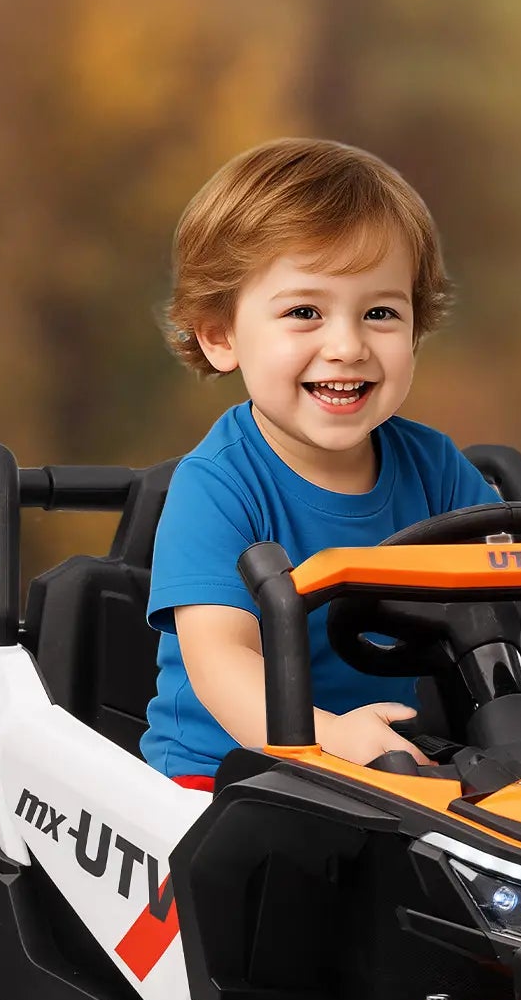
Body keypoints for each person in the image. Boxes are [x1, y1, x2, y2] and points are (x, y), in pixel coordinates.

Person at [142, 137, 501, 790]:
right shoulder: (217, 488)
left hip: (398, 763)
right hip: (232, 775)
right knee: (242, 879)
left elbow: (513, 588)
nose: (347, 345)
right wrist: (330, 737)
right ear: (221, 335)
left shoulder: (435, 466)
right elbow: (223, 661)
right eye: (305, 312)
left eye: (380, 313)